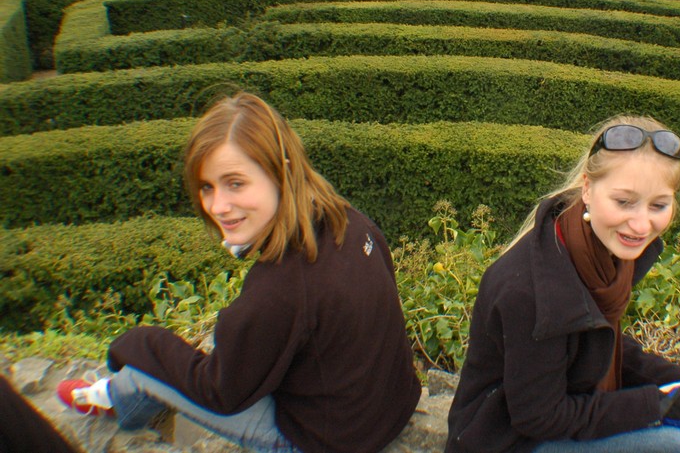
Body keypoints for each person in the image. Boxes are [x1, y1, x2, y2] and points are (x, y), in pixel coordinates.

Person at [57, 92, 421, 453]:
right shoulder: (349, 221)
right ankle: (118, 395)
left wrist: (137, 344)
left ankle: (117, 392)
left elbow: (218, 391)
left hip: (332, 441)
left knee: (147, 372)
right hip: (391, 407)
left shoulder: (278, 290)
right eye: (207, 186)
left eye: (235, 183)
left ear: (281, 172)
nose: (217, 206)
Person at [446, 115, 680, 453]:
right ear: (588, 189)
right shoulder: (531, 290)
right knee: (676, 448)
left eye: (659, 205)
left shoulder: (600, 249)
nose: (640, 224)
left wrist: (677, 380)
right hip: (506, 438)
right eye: (624, 202)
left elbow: (597, 343)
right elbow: (538, 417)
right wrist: (655, 404)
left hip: (561, 404)